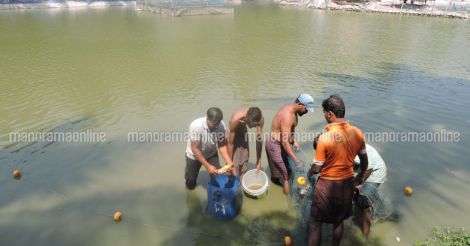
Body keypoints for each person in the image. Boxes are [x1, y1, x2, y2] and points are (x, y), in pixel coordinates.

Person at [307, 95, 368, 246]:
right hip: (347, 185)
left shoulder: (325, 137)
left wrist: (309, 172)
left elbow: (317, 168)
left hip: (327, 186)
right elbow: (364, 161)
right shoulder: (358, 133)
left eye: (324, 113)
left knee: (315, 224)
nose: (324, 116)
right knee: (338, 221)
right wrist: (360, 175)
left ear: (330, 114)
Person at [266, 93, 315, 195]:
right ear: (301, 104)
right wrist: (297, 161)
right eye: (306, 109)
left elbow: (288, 130)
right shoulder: (288, 115)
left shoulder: (292, 109)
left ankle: (275, 181)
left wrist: (294, 141)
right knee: (286, 176)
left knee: (280, 171)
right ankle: (287, 201)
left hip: (278, 143)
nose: (306, 112)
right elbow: (284, 142)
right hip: (275, 145)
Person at [185, 107, 233, 190]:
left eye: (218, 124)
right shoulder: (196, 126)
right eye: (214, 124)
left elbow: (221, 146)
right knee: (190, 182)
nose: (216, 126)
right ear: (207, 118)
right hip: (194, 156)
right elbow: (195, 149)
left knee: (217, 177)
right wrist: (208, 166)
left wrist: (228, 161)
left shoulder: (221, 125)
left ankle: (217, 193)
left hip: (211, 152)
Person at [353, 143, 387, 237]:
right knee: (355, 196)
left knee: (363, 200)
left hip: (374, 173)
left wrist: (356, 185)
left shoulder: (360, 151)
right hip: (360, 169)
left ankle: (365, 236)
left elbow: (368, 170)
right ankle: (364, 210)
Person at [226, 107, 264, 177]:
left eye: (254, 126)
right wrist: (229, 163)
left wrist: (258, 160)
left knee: (244, 160)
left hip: (242, 131)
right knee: (232, 165)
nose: (252, 127)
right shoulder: (235, 120)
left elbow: (259, 141)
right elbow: (230, 144)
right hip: (232, 131)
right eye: (251, 125)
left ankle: (242, 178)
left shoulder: (260, 119)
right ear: (246, 118)